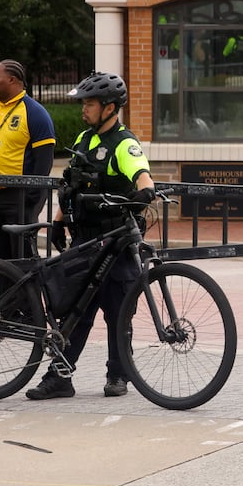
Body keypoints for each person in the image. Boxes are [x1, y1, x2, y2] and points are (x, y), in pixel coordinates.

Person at [26, 71, 155, 401]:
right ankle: (60, 377)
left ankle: (118, 375)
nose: (84, 109)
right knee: (75, 310)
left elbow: (143, 178)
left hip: (115, 244)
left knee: (118, 311)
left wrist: (145, 194)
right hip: (84, 242)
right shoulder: (85, 140)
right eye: (83, 103)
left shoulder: (124, 144)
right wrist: (57, 221)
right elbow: (71, 185)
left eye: (90, 104)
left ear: (110, 108)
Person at [0, 59, 56, 260]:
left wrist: (30, 198)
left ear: (12, 79)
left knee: (23, 262)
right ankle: (3, 294)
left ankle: (28, 294)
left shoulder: (35, 113)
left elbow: (44, 161)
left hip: (18, 198)